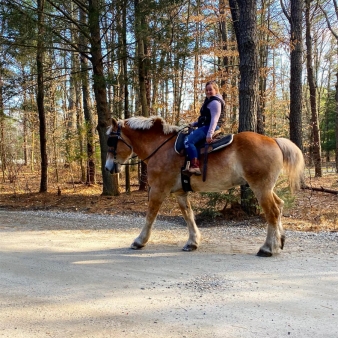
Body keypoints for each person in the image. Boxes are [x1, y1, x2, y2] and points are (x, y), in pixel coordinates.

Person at [183, 80, 225, 175]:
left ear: (216, 90)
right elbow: (205, 119)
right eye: (207, 90)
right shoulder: (209, 101)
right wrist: (193, 124)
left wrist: (209, 134)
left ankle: (195, 166)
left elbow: (214, 119)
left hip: (210, 128)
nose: (208, 92)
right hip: (206, 126)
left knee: (188, 141)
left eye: (210, 90)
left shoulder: (215, 102)